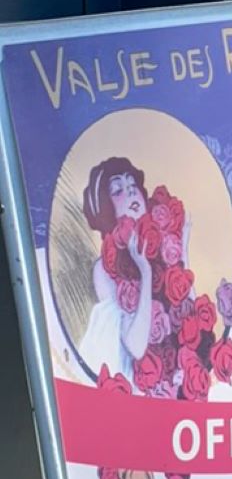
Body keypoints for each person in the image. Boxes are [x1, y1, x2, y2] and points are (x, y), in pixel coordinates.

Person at [79, 158, 156, 385]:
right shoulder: (104, 268)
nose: (131, 194)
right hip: (132, 387)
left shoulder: (161, 248)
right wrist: (146, 272)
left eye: (133, 187)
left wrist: (183, 253)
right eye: (118, 190)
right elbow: (136, 346)